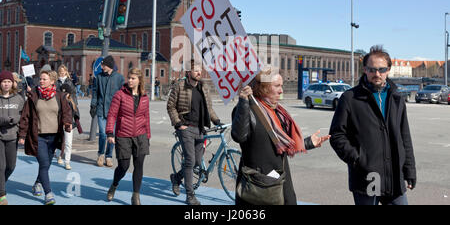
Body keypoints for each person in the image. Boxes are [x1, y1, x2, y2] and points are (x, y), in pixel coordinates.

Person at [329, 45, 417, 205]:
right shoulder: (350, 98)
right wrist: (358, 158)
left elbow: (405, 137)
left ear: (388, 70)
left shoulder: (396, 98)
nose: (377, 74)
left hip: (394, 177)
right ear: (365, 70)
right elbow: (336, 135)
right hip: (368, 176)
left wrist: (409, 170)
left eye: (381, 69)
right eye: (372, 69)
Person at [231, 66, 330, 205]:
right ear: (264, 87)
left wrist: (308, 143)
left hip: (281, 180)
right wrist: (243, 102)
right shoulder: (247, 108)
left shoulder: (278, 112)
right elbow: (239, 136)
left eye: (281, 86)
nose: (281, 90)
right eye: (277, 86)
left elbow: (283, 144)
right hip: (258, 185)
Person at [167, 60, 223, 205]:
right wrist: (178, 123)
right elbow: (171, 106)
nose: (199, 73)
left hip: (200, 128)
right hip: (185, 127)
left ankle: (177, 178)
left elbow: (209, 108)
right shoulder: (180, 86)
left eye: (200, 70)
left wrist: (217, 121)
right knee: (190, 160)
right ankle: (190, 195)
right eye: (196, 70)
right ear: (188, 72)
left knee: (197, 162)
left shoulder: (203, 88)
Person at [18, 70, 72, 205]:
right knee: (44, 163)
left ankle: (37, 183)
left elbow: (66, 112)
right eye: (40, 79)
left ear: (52, 81)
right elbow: (25, 116)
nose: (41, 81)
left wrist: (67, 123)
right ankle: (48, 193)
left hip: (54, 137)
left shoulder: (60, 96)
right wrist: (22, 135)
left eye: (44, 79)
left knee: (45, 165)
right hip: (38, 137)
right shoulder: (33, 96)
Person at [105, 68, 150, 205]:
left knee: (139, 166)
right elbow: (112, 114)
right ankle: (114, 184)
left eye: (133, 78)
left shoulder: (144, 97)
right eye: (129, 78)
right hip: (123, 135)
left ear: (139, 80)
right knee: (123, 166)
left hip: (141, 136)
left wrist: (148, 135)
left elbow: (146, 117)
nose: (129, 80)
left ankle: (135, 196)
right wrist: (109, 133)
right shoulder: (120, 95)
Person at [90, 55, 125, 167]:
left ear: (109, 66)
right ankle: (101, 154)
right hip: (101, 109)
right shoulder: (99, 77)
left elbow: (123, 94)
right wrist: (93, 105)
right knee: (102, 134)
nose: (102, 67)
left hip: (114, 111)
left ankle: (109, 156)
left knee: (112, 135)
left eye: (103, 65)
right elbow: (95, 92)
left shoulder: (119, 78)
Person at [0, 71, 25, 205]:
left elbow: (24, 119)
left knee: (11, 166)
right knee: (1, 166)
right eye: (4, 81)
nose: (6, 84)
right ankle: (2, 194)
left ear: (12, 83)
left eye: (8, 81)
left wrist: (22, 135)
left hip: (12, 137)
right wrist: (6, 119)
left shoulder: (18, 99)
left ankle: (1, 183)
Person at [55, 65, 78, 168]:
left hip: (69, 118)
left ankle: (67, 161)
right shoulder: (56, 83)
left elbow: (74, 98)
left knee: (68, 142)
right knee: (59, 139)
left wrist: (76, 115)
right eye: (61, 72)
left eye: (64, 71)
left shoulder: (70, 83)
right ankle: (59, 155)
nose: (62, 73)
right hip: (58, 116)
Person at [57, 83, 81, 170]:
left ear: (69, 93)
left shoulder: (72, 103)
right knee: (59, 142)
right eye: (62, 93)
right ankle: (59, 156)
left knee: (68, 144)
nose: (64, 95)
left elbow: (77, 117)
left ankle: (67, 162)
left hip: (68, 126)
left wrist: (73, 125)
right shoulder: (58, 102)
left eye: (66, 93)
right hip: (59, 125)